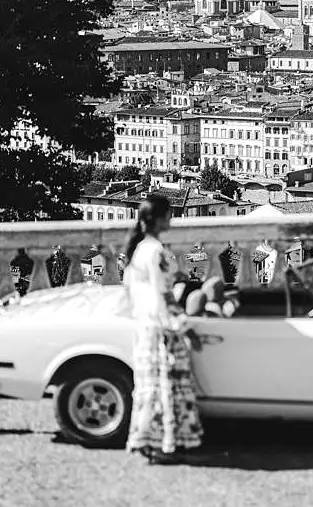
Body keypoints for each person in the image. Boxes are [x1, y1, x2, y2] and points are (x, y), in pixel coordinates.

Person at [122, 193, 203, 464]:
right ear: (157, 218)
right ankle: (162, 445)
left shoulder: (139, 249)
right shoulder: (156, 251)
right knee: (166, 388)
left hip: (145, 326)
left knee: (149, 389)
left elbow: (136, 291)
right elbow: (163, 295)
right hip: (161, 329)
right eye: (168, 214)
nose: (172, 218)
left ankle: (149, 443)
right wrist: (183, 326)